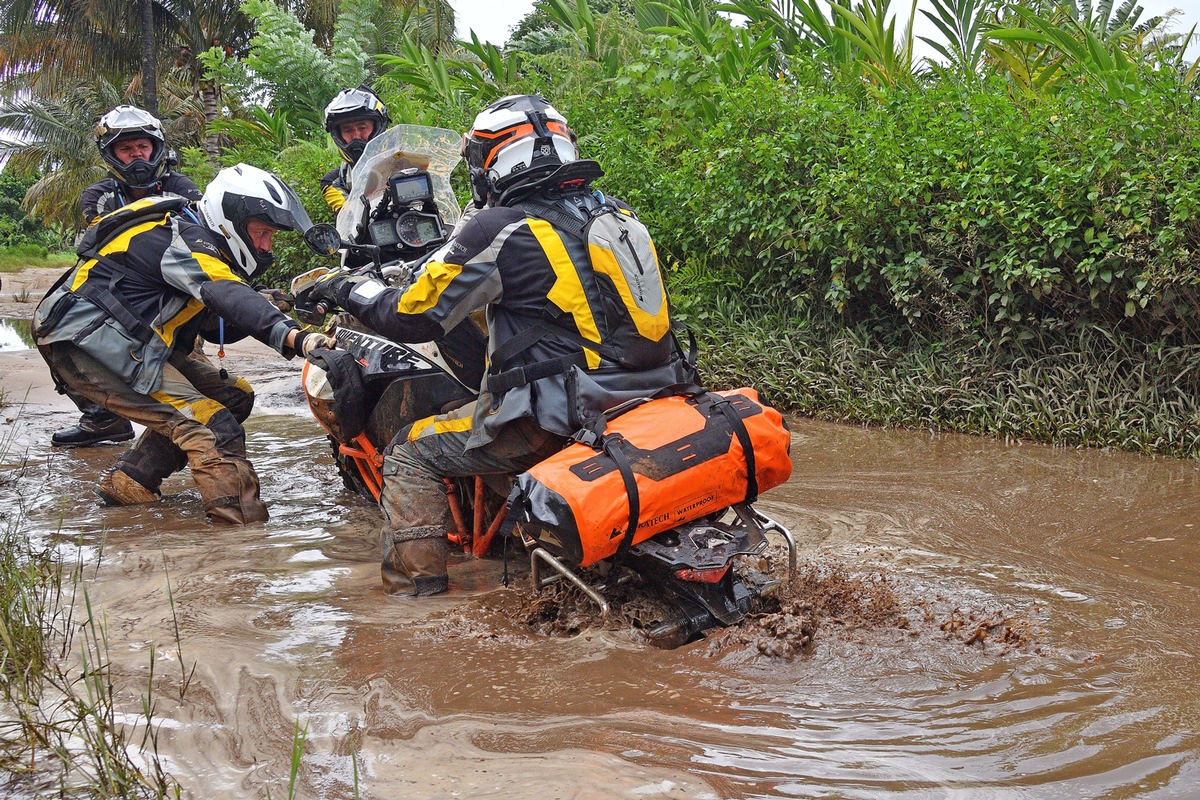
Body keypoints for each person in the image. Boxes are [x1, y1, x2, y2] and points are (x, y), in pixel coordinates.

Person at [308, 95, 692, 596]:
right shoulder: (619, 214)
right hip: (660, 395)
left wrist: (342, 288)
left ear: (493, 161)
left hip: (557, 416)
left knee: (409, 454)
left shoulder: (501, 226)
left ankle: (414, 605)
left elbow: (411, 315)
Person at [34, 164, 336, 524]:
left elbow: (214, 324)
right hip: (89, 345)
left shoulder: (188, 235)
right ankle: (240, 535)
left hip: (125, 343)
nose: (265, 245)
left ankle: (132, 481)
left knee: (234, 394)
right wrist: (296, 336)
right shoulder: (180, 238)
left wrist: (275, 303)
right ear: (232, 217)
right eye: (262, 232)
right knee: (211, 425)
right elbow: (226, 292)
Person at [55, 105, 204, 448]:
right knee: (61, 327)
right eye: (126, 149)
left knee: (188, 366)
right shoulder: (98, 195)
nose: (137, 155)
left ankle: (174, 435)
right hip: (117, 290)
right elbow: (105, 245)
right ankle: (102, 418)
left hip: (176, 289)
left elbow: (199, 239)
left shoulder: (182, 187)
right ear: (112, 156)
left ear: (156, 148)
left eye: (143, 147)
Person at [319, 87, 390, 214]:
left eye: (362, 127)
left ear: (377, 127)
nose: (356, 136)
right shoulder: (333, 181)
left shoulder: (407, 163)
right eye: (348, 130)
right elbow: (348, 218)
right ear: (339, 135)